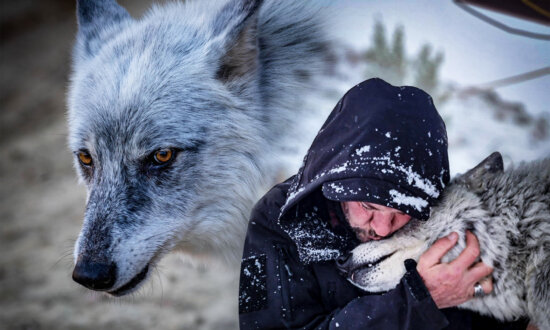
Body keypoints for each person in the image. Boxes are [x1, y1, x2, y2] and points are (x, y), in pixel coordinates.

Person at [238, 78, 529, 329]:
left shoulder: (435, 220)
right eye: (369, 207)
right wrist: (419, 300)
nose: (382, 228)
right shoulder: (274, 219)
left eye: (402, 212)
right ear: (335, 182)